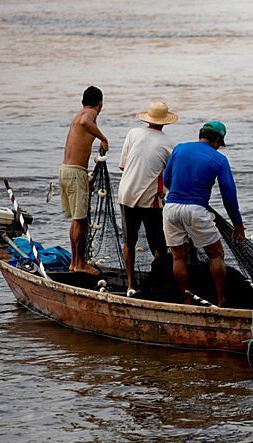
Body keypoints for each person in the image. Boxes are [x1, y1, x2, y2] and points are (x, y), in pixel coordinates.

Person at [163, 121, 244, 306]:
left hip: (171, 207)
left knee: (178, 257)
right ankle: (222, 301)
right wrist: (237, 223)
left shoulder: (179, 149)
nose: (218, 147)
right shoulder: (219, 159)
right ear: (216, 140)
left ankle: (187, 300)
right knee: (216, 255)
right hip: (196, 210)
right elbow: (229, 195)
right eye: (219, 143)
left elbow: (167, 179)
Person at [117, 101, 178, 293]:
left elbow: (124, 166)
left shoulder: (133, 134)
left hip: (126, 194)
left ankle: (130, 284)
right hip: (150, 199)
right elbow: (169, 177)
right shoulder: (169, 144)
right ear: (165, 122)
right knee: (159, 243)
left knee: (129, 241)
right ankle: (158, 282)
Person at [59, 85, 108, 275]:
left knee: (78, 220)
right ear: (100, 104)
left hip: (66, 170)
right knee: (80, 220)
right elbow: (86, 122)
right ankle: (79, 264)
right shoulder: (89, 114)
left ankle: (75, 262)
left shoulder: (79, 113)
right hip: (75, 172)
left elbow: (83, 124)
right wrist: (103, 138)